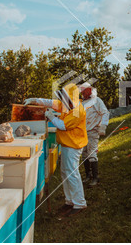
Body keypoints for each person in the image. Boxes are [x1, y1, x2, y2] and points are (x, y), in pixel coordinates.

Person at [24, 83, 88, 217]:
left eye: (65, 96)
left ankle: (80, 203)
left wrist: (51, 116)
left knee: (72, 173)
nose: (63, 99)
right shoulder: (68, 105)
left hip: (74, 146)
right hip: (67, 144)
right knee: (65, 172)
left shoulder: (78, 111)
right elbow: (51, 103)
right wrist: (35, 100)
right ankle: (70, 201)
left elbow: (62, 125)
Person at [79, 83, 109, 187]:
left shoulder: (97, 100)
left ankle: (96, 178)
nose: (82, 93)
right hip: (83, 132)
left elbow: (105, 113)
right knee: (84, 154)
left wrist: (103, 126)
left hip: (93, 131)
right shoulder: (82, 103)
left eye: (84, 91)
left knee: (91, 153)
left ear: (89, 90)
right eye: (81, 91)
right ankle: (88, 176)